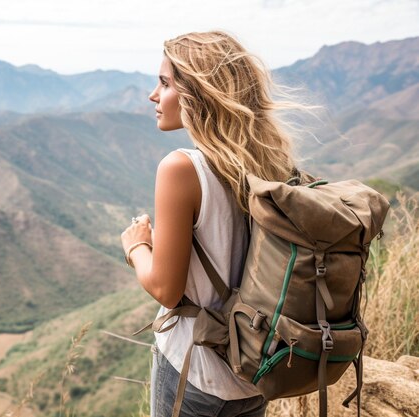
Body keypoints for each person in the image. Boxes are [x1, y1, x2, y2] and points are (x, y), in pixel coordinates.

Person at [120, 31, 307, 417]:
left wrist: (137, 246)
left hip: (195, 371)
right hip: (253, 369)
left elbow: (166, 291)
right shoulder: (272, 164)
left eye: (164, 83)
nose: (153, 96)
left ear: (197, 94)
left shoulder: (182, 168)